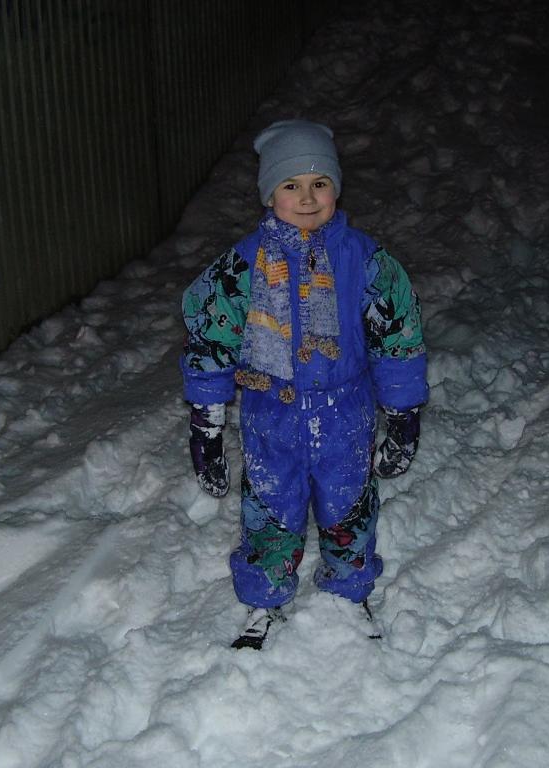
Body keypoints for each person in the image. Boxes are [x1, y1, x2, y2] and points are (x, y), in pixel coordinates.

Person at [180, 119, 427, 649]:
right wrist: (206, 422)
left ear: (337, 188)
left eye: (320, 183)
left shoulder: (364, 260)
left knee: (350, 506)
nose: (308, 198)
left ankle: (349, 591)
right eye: (291, 185)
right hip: (271, 415)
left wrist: (404, 414)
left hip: (345, 413)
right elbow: (210, 340)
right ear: (270, 194)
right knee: (271, 508)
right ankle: (265, 599)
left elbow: (397, 334)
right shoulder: (242, 266)